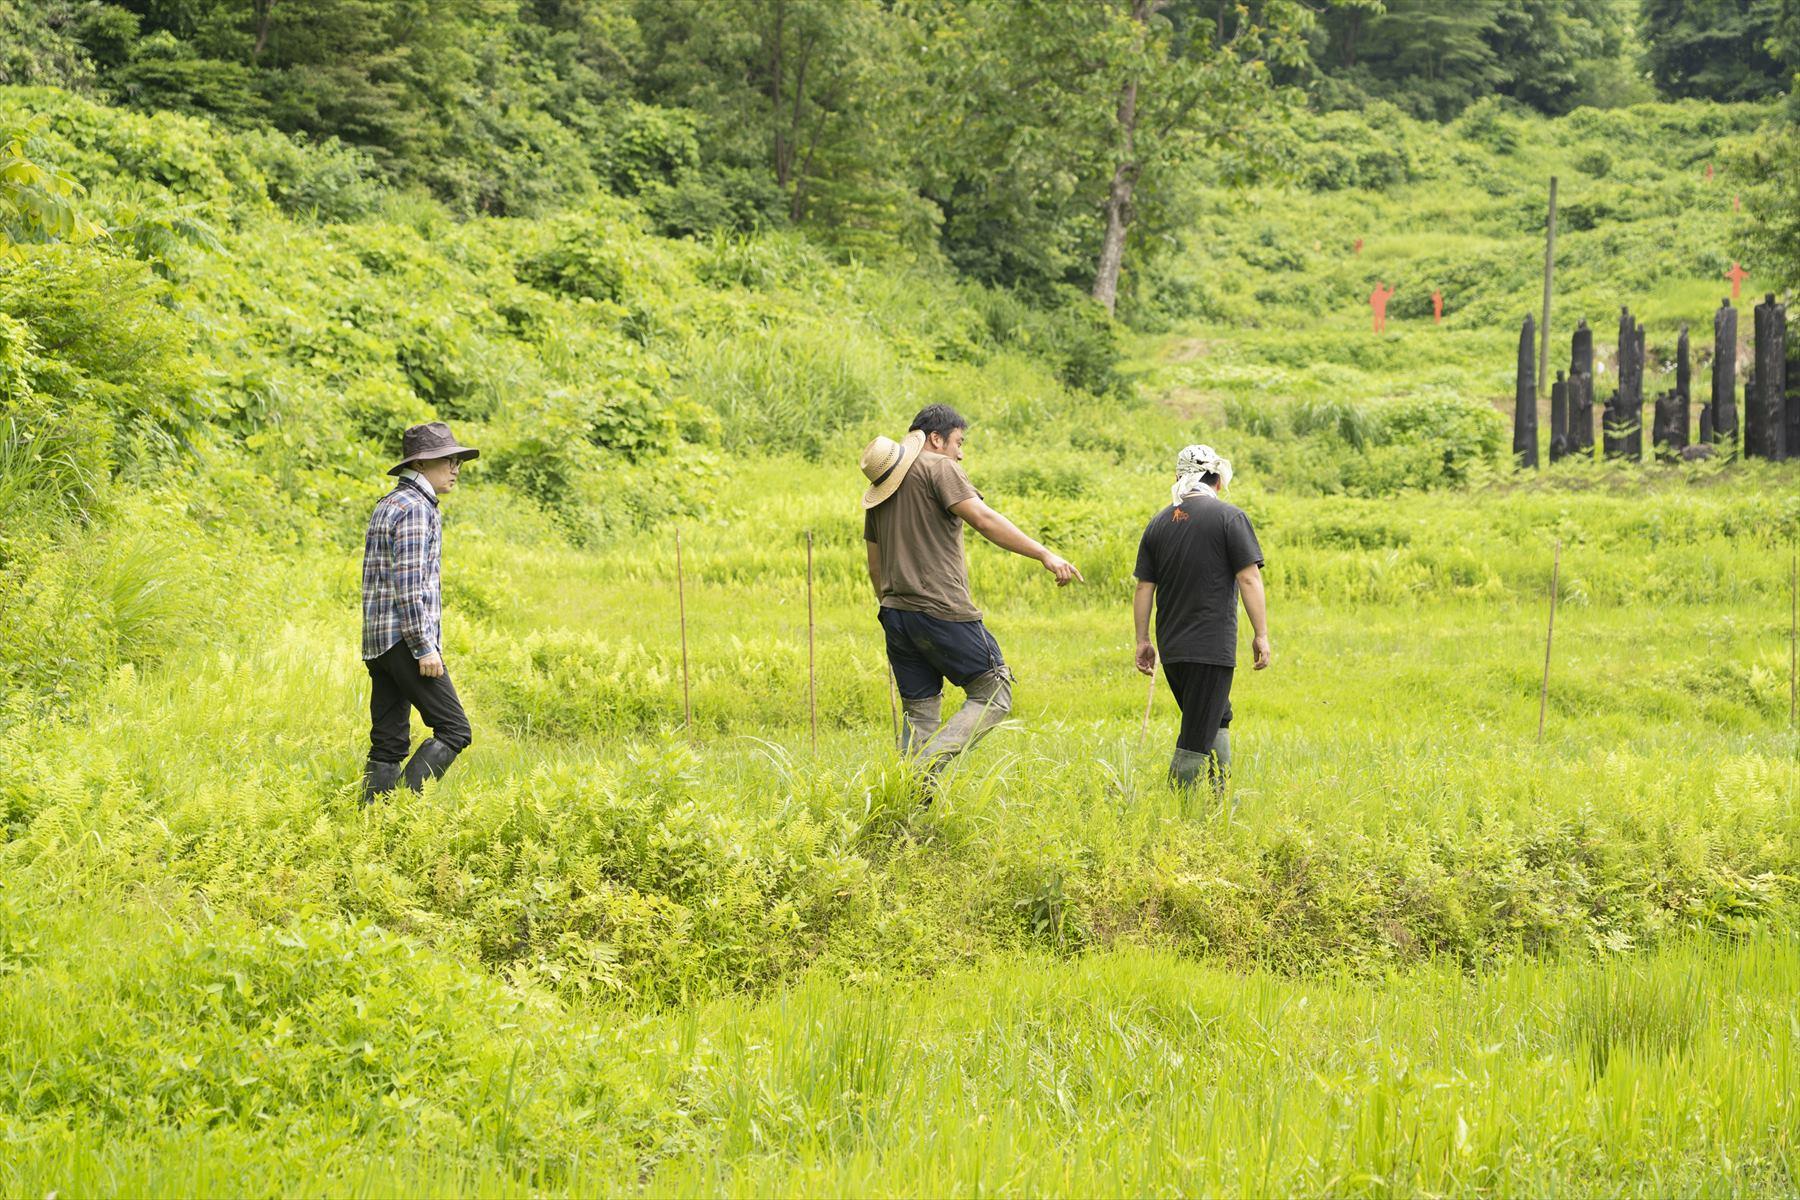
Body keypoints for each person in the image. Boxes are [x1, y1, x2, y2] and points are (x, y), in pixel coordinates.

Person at [860, 404, 1083, 775]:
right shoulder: (939, 467)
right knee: (994, 691)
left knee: (920, 713)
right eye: (958, 442)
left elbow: (874, 563)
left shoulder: (883, 489)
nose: (961, 452)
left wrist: (890, 606)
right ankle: (927, 763)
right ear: (935, 439)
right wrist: (1044, 553)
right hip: (942, 609)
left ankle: (909, 803)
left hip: (896, 614)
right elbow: (984, 518)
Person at [1132, 444, 1270, 792]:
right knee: (1195, 734)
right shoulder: (1229, 517)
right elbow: (1249, 578)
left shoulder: (1159, 522)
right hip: (1210, 647)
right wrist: (1261, 634)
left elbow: (1144, 588)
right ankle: (1176, 807)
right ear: (1218, 480)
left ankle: (1220, 795)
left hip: (1173, 649)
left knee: (1217, 716)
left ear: (1178, 478)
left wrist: (1143, 640)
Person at [360, 421, 479, 802]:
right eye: (447, 461)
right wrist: (424, 647)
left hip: (378, 643)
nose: (455, 469)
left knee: (388, 743)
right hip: (405, 640)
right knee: (455, 729)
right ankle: (399, 813)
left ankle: (372, 822)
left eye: (457, 461)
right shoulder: (415, 509)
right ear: (423, 465)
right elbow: (409, 586)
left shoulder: (389, 503)